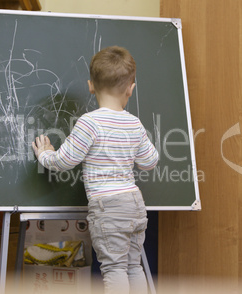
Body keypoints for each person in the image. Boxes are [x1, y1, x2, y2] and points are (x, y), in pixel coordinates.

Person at [32, 46, 159, 294]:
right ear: (130, 89)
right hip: (134, 204)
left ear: (91, 85)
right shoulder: (134, 123)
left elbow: (63, 161)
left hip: (108, 207)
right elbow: (150, 161)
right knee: (134, 266)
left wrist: (44, 154)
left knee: (114, 269)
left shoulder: (89, 123)